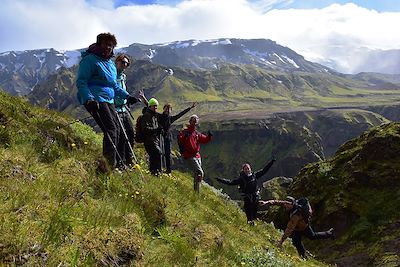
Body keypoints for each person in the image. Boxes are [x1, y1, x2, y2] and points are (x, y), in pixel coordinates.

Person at [76, 33, 138, 168]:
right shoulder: (90, 60)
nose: (107, 47)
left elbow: (114, 85)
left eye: (110, 45)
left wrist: (127, 96)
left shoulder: (110, 63)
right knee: (111, 130)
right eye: (105, 44)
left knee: (117, 130)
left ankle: (113, 164)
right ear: (99, 44)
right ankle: (108, 166)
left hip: (109, 100)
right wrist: (89, 99)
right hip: (96, 99)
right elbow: (81, 82)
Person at [260, 197, 334, 258]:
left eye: (288, 205)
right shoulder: (289, 204)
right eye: (285, 203)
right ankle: (304, 256)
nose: (286, 205)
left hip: (303, 227)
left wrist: (281, 241)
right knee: (296, 242)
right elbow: (277, 202)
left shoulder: (296, 214)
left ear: (292, 205)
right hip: (297, 228)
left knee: (312, 236)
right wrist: (267, 202)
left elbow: (289, 228)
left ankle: (329, 233)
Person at [216, 158, 275, 224]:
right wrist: (220, 180)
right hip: (247, 197)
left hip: (255, 196)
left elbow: (264, 170)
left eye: (248, 168)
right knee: (248, 211)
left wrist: (271, 162)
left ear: (250, 169)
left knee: (255, 210)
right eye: (245, 169)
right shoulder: (241, 179)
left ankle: (254, 224)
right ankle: (250, 223)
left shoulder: (254, 175)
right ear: (243, 170)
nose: (247, 170)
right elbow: (231, 182)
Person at [114, 54, 148, 168]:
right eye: (123, 62)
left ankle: (129, 160)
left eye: (127, 63)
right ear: (117, 61)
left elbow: (122, 90)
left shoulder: (123, 76)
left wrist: (129, 100)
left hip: (124, 108)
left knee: (130, 134)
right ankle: (120, 162)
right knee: (121, 136)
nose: (125, 65)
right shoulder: (112, 74)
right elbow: (115, 88)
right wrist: (128, 97)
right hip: (115, 109)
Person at [159, 102, 197, 173]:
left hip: (167, 138)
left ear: (170, 110)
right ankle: (159, 168)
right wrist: (143, 98)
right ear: (163, 109)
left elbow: (180, 114)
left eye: (169, 109)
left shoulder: (171, 118)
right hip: (160, 137)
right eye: (166, 109)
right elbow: (151, 108)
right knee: (160, 153)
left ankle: (168, 170)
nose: (167, 110)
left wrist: (190, 108)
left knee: (167, 154)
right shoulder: (159, 116)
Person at [178, 115, 212, 193]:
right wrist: (184, 137)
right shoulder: (185, 132)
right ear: (190, 122)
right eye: (193, 121)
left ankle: (196, 192)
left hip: (197, 156)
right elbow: (180, 140)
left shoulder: (196, 133)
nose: (195, 123)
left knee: (197, 174)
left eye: (196, 122)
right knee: (200, 172)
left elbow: (204, 140)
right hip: (189, 156)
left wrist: (209, 136)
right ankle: (197, 191)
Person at [141, 98, 163, 175]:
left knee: (154, 155)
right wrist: (156, 129)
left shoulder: (154, 115)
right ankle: (157, 171)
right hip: (149, 140)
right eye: (154, 106)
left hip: (153, 139)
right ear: (150, 107)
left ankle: (154, 171)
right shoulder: (146, 116)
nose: (155, 108)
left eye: (156, 106)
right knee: (158, 153)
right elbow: (145, 129)